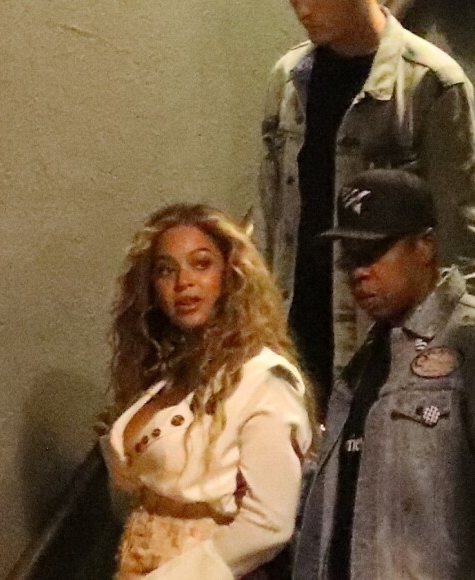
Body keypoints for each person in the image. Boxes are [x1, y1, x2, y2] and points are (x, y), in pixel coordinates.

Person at [254, 0, 475, 411]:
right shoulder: (288, 80)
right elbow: (269, 216)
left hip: (388, 345)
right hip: (294, 339)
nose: (302, 9)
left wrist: (444, 366)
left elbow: (459, 249)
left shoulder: (432, 84)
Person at [99, 203, 318, 579]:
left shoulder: (261, 380)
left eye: (201, 264)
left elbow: (269, 523)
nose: (183, 282)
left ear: (230, 276)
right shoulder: (168, 378)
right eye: (166, 270)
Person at [294, 169, 475, 579]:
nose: (359, 272)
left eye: (374, 252)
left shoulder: (466, 341)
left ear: (425, 245)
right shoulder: (364, 365)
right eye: (350, 259)